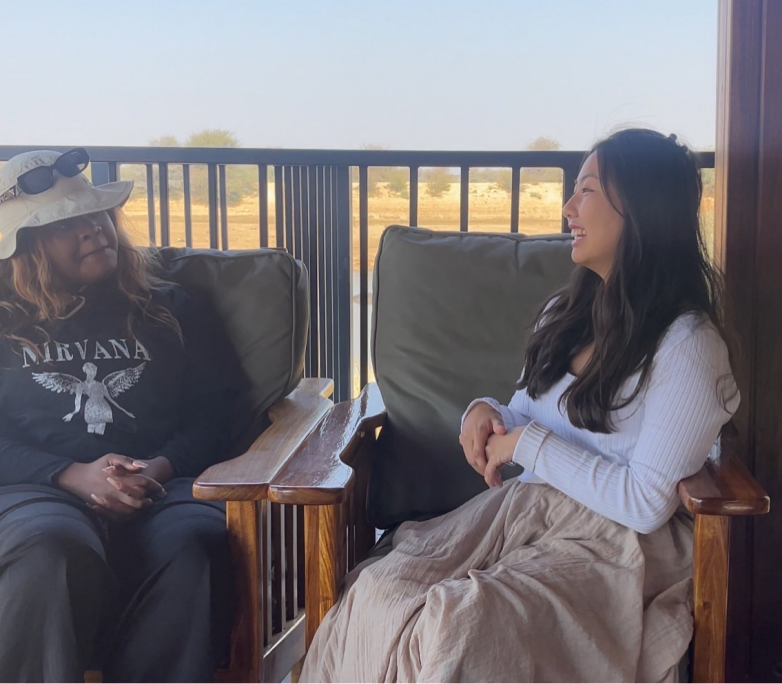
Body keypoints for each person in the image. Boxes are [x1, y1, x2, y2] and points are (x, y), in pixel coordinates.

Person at [300, 129, 739, 684]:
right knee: (382, 589)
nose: (568, 208)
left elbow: (646, 502)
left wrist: (527, 444)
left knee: (467, 620)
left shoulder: (688, 345)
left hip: (620, 547)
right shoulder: (567, 311)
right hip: (525, 515)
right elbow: (523, 411)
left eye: (587, 190)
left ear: (641, 209)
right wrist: (485, 414)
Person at [0, 148, 240, 684]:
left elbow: (218, 414)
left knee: (194, 542)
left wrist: (156, 469)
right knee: (50, 545)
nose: (92, 228)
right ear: (24, 246)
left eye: (95, 214)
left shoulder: (171, 308)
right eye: (64, 223)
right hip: (35, 490)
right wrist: (71, 475)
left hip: (164, 484)